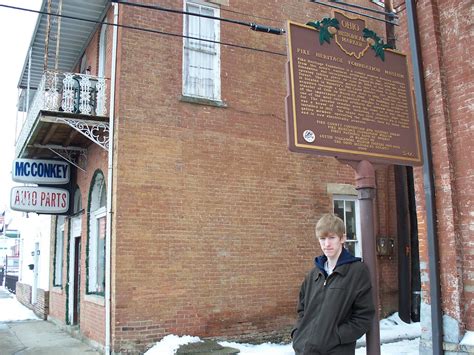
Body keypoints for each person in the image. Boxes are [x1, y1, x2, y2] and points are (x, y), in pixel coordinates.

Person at [291, 213, 375, 355]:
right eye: (322, 239)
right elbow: (302, 310)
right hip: (304, 350)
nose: (327, 244)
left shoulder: (356, 271)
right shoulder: (314, 274)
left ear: (342, 238)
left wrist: (336, 336)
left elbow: (364, 316)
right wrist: (298, 334)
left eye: (332, 238)